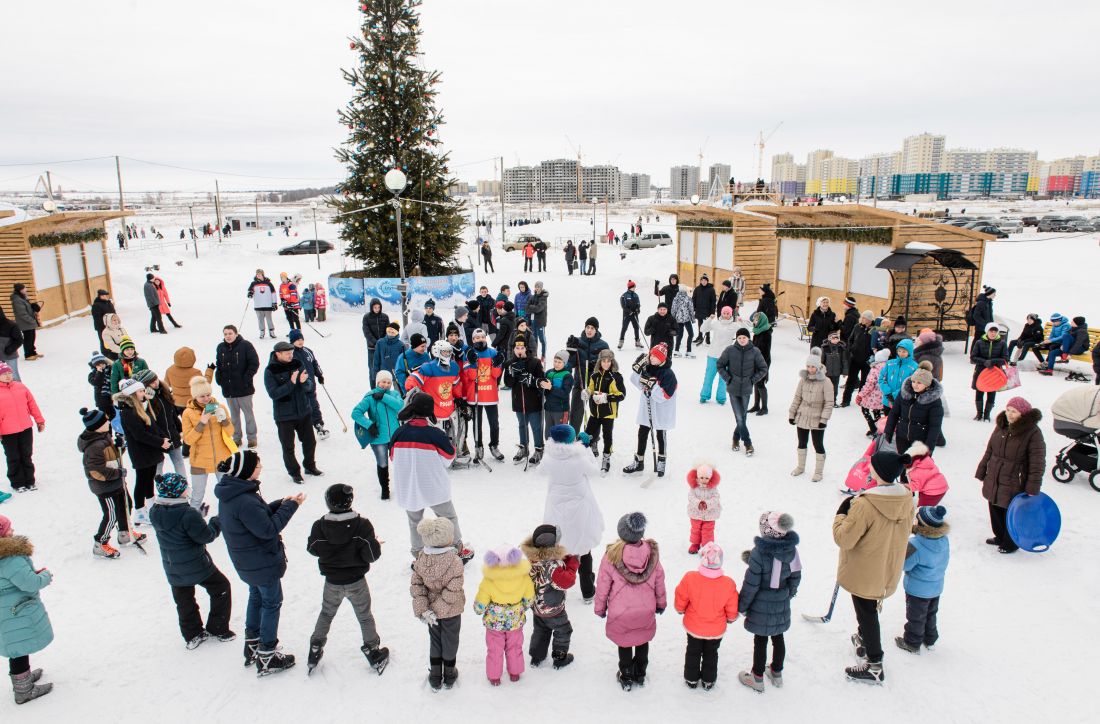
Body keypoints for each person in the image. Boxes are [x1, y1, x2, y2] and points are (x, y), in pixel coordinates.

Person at [215, 450, 304, 676]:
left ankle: (253, 644)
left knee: (256, 597)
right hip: (261, 561)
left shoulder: (234, 493)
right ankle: (267, 655)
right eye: (257, 465)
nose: (261, 467)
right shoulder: (244, 500)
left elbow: (257, 518)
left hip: (247, 561)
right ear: (246, 470)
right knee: (271, 603)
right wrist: (290, 507)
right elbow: (267, 529)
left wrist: (279, 503)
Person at [833, 448, 915, 684]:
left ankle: (874, 663)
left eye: (872, 466)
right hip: (887, 565)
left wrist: (841, 515)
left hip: (865, 567)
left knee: (866, 611)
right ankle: (864, 638)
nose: (868, 468)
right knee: (869, 607)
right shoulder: (906, 498)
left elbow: (844, 538)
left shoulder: (866, 504)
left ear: (879, 473)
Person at [305, 483, 388, 675]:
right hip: (356, 582)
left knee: (326, 614)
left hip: (332, 582)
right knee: (365, 616)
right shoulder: (362, 525)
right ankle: (372, 650)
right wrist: (373, 542)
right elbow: (372, 556)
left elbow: (312, 548)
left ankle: (316, 646)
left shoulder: (320, 526)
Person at [149, 472, 234, 650]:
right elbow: (206, 536)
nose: (188, 490)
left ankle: (192, 634)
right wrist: (215, 521)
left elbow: (178, 527)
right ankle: (218, 627)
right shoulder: (187, 514)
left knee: (184, 601)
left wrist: (197, 516)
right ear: (178, 492)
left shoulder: (155, 511)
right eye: (184, 487)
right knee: (221, 587)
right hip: (196, 565)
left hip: (173, 567)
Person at [389, 391, 473, 562]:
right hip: (433, 485)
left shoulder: (398, 433)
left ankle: (419, 555)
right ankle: (458, 549)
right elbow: (449, 458)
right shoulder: (435, 434)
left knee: (415, 522)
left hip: (409, 486)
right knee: (448, 517)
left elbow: (392, 457)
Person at [594, 512, 666, 692]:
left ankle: (626, 675)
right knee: (642, 640)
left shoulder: (612, 556)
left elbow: (603, 584)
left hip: (621, 612)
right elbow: (659, 580)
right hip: (645, 609)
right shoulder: (652, 554)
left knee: (625, 643)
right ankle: (640, 673)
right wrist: (660, 603)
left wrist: (600, 608)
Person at [737, 511, 800, 693]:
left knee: (761, 640)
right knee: (778, 637)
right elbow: (796, 575)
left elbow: (751, 584)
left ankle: (757, 677)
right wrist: (789, 594)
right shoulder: (792, 551)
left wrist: (742, 606)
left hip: (760, 604)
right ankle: (776, 672)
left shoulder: (759, 553)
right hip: (781, 600)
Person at [541, 424, 604, 603]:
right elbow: (595, 471)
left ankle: (559, 588)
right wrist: (586, 448)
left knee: (560, 550)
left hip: (556, 511)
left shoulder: (549, 457)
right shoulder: (579, 457)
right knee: (584, 550)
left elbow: (540, 471)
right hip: (580, 511)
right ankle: (588, 591)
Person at [976, 396, 1045, 554]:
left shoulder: (1033, 432)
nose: (1010, 414)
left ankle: (1011, 542)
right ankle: (1000, 536)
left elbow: (1037, 462)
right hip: (995, 474)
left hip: (1015, 477)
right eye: (1008, 410)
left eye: (1014, 412)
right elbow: (990, 450)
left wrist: (1032, 486)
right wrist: (982, 469)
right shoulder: (1001, 426)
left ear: (1023, 413)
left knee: (1011, 511)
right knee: (994, 505)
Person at [0, 514, 54, 704]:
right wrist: (45, 576)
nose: (12, 531)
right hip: (15, 611)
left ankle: (23, 679)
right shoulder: (9, 559)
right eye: (8, 529)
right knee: (18, 649)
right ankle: (23, 690)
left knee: (17, 646)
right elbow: (30, 583)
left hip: (6, 611)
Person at [674, 542, 739, 691]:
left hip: (694, 626)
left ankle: (691, 678)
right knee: (711, 653)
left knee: (693, 651)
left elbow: (681, 597)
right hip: (716, 630)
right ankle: (708, 680)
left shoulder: (690, 578)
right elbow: (732, 606)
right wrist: (730, 618)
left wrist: (680, 609)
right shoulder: (728, 584)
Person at [410, 517, 465, 691]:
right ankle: (449, 673)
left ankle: (435, 675)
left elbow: (416, 585)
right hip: (451, 611)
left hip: (431, 613)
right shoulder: (454, 561)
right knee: (450, 640)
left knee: (435, 641)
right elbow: (454, 588)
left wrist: (425, 609)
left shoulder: (422, 558)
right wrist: (438, 609)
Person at [78, 406, 139, 558]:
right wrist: (118, 473)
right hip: (105, 487)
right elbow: (96, 471)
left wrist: (120, 447)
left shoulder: (104, 436)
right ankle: (100, 543)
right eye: (105, 420)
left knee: (125, 506)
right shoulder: (94, 446)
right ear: (97, 426)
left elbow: (113, 456)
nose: (108, 422)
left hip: (116, 482)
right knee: (111, 515)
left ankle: (125, 533)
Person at [473, 544, 534, 685]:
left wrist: (478, 609)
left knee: (494, 649)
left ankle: (494, 676)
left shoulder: (489, 579)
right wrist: (523, 607)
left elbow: (481, 600)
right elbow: (529, 598)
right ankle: (515, 672)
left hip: (494, 623)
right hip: (515, 621)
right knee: (515, 647)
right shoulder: (523, 577)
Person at [895, 505, 949, 654]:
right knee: (931, 614)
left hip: (917, 589)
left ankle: (912, 643)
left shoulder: (916, 544)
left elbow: (905, 565)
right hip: (936, 587)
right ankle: (930, 639)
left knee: (916, 617)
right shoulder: (944, 540)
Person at [264, 341, 320, 483]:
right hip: (284, 416)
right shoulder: (270, 370)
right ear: (278, 354)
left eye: (292, 353)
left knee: (310, 442)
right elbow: (274, 394)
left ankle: (310, 466)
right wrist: (292, 383)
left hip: (303, 411)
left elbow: (309, 386)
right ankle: (294, 472)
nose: (291, 355)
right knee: (288, 446)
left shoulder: (297, 363)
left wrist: (304, 382)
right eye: (287, 353)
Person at [114, 379, 167, 524]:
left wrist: (162, 438)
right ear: (132, 394)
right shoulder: (128, 412)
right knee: (142, 480)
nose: (143, 393)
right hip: (141, 452)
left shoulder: (140, 407)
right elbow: (140, 434)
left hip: (150, 450)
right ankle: (139, 511)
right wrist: (160, 442)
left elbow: (152, 425)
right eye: (140, 391)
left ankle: (150, 507)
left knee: (149, 478)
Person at [407, 340, 468, 464]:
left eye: (449, 352)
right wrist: (414, 393)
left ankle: (453, 455)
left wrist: (459, 397)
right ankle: (432, 458)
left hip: (449, 407)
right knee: (435, 436)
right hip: (433, 409)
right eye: (445, 352)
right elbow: (412, 381)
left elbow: (455, 385)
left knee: (455, 432)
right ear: (437, 352)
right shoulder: (428, 368)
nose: (448, 355)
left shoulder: (454, 367)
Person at [180, 375, 234, 510]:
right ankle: (193, 519)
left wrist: (224, 420)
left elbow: (231, 432)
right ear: (195, 396)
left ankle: (229, 518)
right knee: (197, 495)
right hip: (200, 460)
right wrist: (202, 422)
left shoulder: (220, 407)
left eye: (208, 394)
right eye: (202, 396)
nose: (206, 398)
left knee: (227, 493)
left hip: (222, 458)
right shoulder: (188, 413)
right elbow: (188, 439)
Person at [624, 344, 677, 477]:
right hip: (646, 407)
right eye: (651, 355)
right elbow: (635, 381)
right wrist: (637, 371)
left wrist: (652, 386)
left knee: (660, 435)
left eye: (655, 357)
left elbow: (663, 396)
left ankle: (661, 460)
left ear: (662, 359)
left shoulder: (669, 374)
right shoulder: (648, 366)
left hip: (661, 410)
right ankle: (639, 461)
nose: (652, 358)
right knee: (642, 433)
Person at [351, 370, 403, 500]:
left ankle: (403, 487)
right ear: (377, 382)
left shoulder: (394, 394)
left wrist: (384, 397)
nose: (386, 384)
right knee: (383, 463)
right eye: (383, 382)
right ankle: (385, 489)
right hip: (378, 437)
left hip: (395, 436)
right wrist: (369, 425)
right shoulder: (370, 397)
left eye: (388, 382)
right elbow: (356, 413)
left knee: (400, 462)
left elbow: (400, 406)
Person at [716, 328, 768, 455]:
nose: (742, 340)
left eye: (744, 337)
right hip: (733, 389)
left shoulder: (755, 351)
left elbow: (763, 368)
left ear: (748, 338)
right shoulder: (730, 350)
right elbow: (720, 365)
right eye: (739, 338)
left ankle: (735, 438)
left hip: (746, 389)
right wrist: (728, 378)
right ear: (737, 339)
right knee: (740, 418)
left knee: (742, 417)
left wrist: (752, 380)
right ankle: (748, 444)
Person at [788, 348, 833, 482]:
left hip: (817, 417)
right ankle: (800, 467)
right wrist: (792, 413)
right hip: (802, 415)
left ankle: (818, 472)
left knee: (817, 444)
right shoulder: (803, 380)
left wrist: (824, 419)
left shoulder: (826, 382)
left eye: (813, 366)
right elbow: (797, 397)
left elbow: (829, 402)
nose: (810, 369)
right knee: (802, 442)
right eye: (808, 366)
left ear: (818, 366)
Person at [460, 329, 505, 463]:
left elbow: (496, 375)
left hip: (490, 394)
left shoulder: (493, 353)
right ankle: (478, 447)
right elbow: (472, 376)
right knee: (477, 424)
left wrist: (497, 364)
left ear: (486, 338)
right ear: (473, 340)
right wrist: (473, 363)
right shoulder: (468, 354)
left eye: (482, 337)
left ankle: (494, 445)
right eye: (477, 338)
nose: (480, 339)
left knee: (494, 424)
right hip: (475, 396)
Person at [214, 325, 261, 450]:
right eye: (225, 334)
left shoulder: (246, 345)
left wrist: (246, 378)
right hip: (229, 389)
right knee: (234, 416)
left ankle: (252, 438)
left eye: (230, 333)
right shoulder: (221, 347)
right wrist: (219, 378)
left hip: (244, 389)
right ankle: (237, 438)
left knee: (248, 415)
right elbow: (219, 364)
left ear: (236, 333)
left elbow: (254, 363)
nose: (228, 336)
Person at [133, 369, 186, 478]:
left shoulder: (165, 391)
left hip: (171, 434)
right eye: (151, 382)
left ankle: (184, 485)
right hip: (157, 438)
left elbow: (172, 413)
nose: (156, 383)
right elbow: (145, 419)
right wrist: (146, 401)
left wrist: (180, 429)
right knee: (158, 465)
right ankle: (159, 487)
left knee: (179, 461)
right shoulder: (143, 400)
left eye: (155, 379)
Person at [0, 364, 44, 493]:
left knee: (26, 454)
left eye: (9, 373)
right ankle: (17, 482)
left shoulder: (20, 387)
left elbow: (32, 404)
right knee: (13, 456)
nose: (8, 376)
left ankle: (30, 481)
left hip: (25, 428)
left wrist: (39, 420)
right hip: (7, 431)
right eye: (4, 374)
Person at [883, 361, 944, 454]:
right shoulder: (904, 394)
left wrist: (928, 447)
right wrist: (888, 431)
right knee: (902, 465)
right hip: (902, 437)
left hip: (920, 443)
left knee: (915, 467)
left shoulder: (934, 401)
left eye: (919, 382)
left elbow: (935, 426)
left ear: (927, 385)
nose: (915, 384)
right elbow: (894, 413)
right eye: (913, 381)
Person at [503, 338, 545, 466]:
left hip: (533, 401)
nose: (519, 351)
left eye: (522, 348)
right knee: (522, 425)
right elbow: (507, 383)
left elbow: (541, 381)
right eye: (517, 348)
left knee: (536, 426)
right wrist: (513, 375)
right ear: (513, 349)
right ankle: (524, 447)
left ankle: (539, 449)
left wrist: (528, 378)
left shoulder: (535, 362)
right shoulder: (509, 363)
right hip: (518, 401)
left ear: (526, 348)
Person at [584, 349, 625, 475]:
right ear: (600, 362)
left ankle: (606, 458)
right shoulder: (594, 376)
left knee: (607, 436)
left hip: (608, 413)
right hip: (595, 412)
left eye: (608, 361)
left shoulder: (616, 376)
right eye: (603, 361)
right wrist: (587, 392)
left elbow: (621, 395)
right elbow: (591, 388)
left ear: (612, 362)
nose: (606, 364)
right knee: (587, 435)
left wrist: (606, 397)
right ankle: (584, 457)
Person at [567, 317, 609, 433]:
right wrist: (570, 350)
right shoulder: (578, 342)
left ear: (596, 330)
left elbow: (608, 365)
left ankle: (593, 440)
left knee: (595, 415)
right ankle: (573, 438)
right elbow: (570, 364)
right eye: (587, 327)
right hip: (579, 384)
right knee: (575, 414)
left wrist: (596, 366)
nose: (589, 330)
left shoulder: (603, 345)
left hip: (596, 386)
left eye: (592, 328)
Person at [289, 329, 328, 439]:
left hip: (310, 384)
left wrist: (319, 375)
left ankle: (318, 424)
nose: (300, 341)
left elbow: (315, 363)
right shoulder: (290, 353)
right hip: (297, 387)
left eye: (301, 339)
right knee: (300, 406)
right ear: (292, 341)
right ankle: (298, 426)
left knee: (313, 404)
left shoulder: (308, 351)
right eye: (297, 340)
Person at [970, 323, 1008, 421]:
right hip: (981, 370)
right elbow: (973, 357)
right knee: (979, 391)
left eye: (995, 331)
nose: (993, 333)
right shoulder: (979, 342)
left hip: (995, 372)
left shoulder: (1002, 343)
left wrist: (993, 362)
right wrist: (984, 362)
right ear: (987, 331)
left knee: (991, 392)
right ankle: (979, 414)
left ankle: (987, 415)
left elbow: (1005, 359)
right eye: (991, 331)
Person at [685, 462, 721, 554]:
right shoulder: (694, 488)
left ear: (710, 478)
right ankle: (695, 544)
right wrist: (698, 503)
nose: (704, 480)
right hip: (696, 513)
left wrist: (707, 504)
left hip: (710, 514)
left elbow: (716, 498)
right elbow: (691, 497)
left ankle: (707, 546)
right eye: (701, 477)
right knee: (695, 530)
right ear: (697, 477)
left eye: (706, 478)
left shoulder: (713, 488)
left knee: (708, 531)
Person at [842, 311, 875, 407]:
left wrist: (871, 355)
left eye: (864, 318)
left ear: (869, 320)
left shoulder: (874, 329)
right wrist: (851, 349)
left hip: (867, 361)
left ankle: (861, 400)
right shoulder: (857, 326)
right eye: (862, 317)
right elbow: (850, 339)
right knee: (851, 380)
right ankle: (845, 400)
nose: (862, 319)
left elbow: (876, 343)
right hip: (855, 359)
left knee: (864, 382)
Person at [857, 349, 891, 437]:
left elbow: (870, 384)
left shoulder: (875, 369)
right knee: (877, 411)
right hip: (883, 396)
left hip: (873, 396)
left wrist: (861, 394)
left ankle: (873, 428)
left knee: (864, 409)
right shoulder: (889, 367)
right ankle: (879, 428)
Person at [879, 338, 918, 413]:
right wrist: (887, 392)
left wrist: (895, 395)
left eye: (904, 351)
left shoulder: (914, 366)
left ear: (909, 352)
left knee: (901, 423)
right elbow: (881, 378)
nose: (901, 353)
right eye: (899, 351)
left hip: (903, 401)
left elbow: (910, 384)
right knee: (888, 422)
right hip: (887, 400)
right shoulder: (890, 363)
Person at [748, 311, 773, 415]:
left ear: (762, 320)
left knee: (761, 383)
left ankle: (765, 407)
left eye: (757, 320)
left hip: (763, 362)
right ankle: (756, 405)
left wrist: (762, 366)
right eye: (755, 320)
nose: (755, 321)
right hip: (755, 361)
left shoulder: (766, 333)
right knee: (756, 382)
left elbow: (766, 351)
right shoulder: (757, 331)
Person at [542, 350, 573, 430]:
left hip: (561, 410)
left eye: (559, 362)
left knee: (560, 435)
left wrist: (551, 387)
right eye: (555, 361)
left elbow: (564, 393)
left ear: (565, 363)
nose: (556, 364)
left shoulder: (567, 376)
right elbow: (543, 390)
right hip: (548, 409)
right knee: (548, 435)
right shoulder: (549, 372)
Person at [362, 298, 390, 384]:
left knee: (383, 369)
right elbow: (367, 332)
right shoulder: (366, 317)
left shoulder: (385, 317)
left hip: (383, 348)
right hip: (372, 348)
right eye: (375, 307)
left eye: (378, 307)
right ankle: (374, 388)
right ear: (371, 307)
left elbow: (388, 330)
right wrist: (376, 343)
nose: (377, 309)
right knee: (373, 369)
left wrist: (383, 342)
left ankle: (384, 387)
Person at [820, 329, 849, 407]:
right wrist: (820, 370)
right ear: (830, 339)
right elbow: (821, 360)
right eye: (833, 338)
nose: (835, 340)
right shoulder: (825, 348)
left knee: (834, 388)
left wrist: (845, 371)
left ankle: (833, 401)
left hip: (836, 372)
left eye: (837, 338)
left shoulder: (841, 348)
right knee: (826, 387)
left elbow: (844, 360)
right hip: (827, 372)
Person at [526, 281, 549, 359]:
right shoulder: (532, 297)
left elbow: (539, 308)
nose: (537, 288)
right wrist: (532, 308)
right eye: (536, 287)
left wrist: (531, 307)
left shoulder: (543, 297)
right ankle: (535, 355)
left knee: (542, 339)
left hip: (540, 322)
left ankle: (543, 355)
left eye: (538, 287)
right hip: (533, 322)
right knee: (534, 339)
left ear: (541, 288)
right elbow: (526, 308)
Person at [671, 285, 695, 358]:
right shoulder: (688, 298)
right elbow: (691, 309)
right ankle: (688, 351)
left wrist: (673, 319)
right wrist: (693, 319)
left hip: (678, 319)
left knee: (679, 334)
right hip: (686, 319)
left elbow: (673, 310)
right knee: (691, 334)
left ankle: (676, 350)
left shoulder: (675, 298)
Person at [691, 275, 717, 345]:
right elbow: (694, 299)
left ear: (707, 281)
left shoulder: (711, 289)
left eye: (705, 280)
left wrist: (712, 312)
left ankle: (707, 338)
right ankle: (700, 336)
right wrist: (694, 308)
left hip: (707, 311)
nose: (703, 282)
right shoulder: (697, 289)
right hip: (699, 310)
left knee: (707, 324)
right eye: (702, 280)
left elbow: (713, 301)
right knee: (700, 324)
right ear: (700, 281)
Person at [618, 280, 643, 351]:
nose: (634, 288)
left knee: (636, 327)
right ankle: (621, 341)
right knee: (624, 328)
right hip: (627, 315)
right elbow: (623, 306)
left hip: (634, 314)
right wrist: (629, 311)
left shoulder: (636, 295)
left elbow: (638, 304)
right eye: (633, 287)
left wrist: (638, 310)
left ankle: (637, 342)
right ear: (630, 287)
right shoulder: (624, 295)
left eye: (635, 287)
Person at [0, 309, 23, 382]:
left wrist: (10, 349)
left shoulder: (11, 324)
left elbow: (19, 340)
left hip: (9, 355)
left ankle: (19, 391)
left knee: (13, 375)